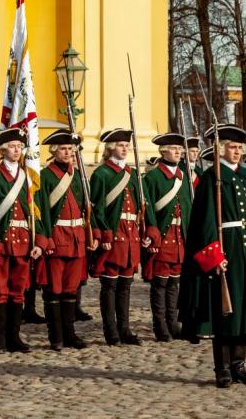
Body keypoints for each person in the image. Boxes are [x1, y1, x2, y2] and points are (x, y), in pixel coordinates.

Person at [179, 125, 246, 388]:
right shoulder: (213, 178)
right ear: (220, 148)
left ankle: (239, 365)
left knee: (244, 309)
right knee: (225, 312)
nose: (237, 152)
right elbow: (206, 222)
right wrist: (214, 255)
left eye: (239, 148)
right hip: (227, 254)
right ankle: (222, 368)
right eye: (232, 148)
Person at [0, 128, 43, 354]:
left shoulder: (28, 177)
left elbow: (36, 212)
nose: (17, 151)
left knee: (18, 290)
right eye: (13, 147)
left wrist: (39, 241)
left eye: (20, 147)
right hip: (3, 242)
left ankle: (14, 338)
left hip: (24, 241)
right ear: (3, 150)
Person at [35, 130, 92, 351]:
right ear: (54, 152)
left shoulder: (77, 175)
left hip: (76, 237)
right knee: (54, 289)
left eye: (70, 149)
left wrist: (91, 234)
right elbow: (42, 211)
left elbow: (86, 207)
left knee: (71, 289)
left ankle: (70, 334)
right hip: (57, 238)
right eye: (63, 149)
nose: (68, 152)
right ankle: (56, 336)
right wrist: (45, 238)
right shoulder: (45, 176)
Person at [88, 128, 145, 346]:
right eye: (121, 145)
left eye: (126, 146)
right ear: (111, 148)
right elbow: (98, 207)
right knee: (110, 285)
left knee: (126, 285)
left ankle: (125, 329)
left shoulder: (130, 173)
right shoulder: (102, 174)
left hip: (130, 234)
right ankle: (110, 330)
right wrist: (104, 231)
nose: (125, 149)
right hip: (114, 233)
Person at [141, 133, 192, 342]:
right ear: (162, 151)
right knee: (160, 284)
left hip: (180, 236)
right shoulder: (152, 178)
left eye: (180, 149)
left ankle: (173, 324)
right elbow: (148, 208)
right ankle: (160, 327)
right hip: (164, 235)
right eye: (173, 148)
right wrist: (152, 233)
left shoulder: (183, 176)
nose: (178, 152)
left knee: (174, 284)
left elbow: (188, 207)